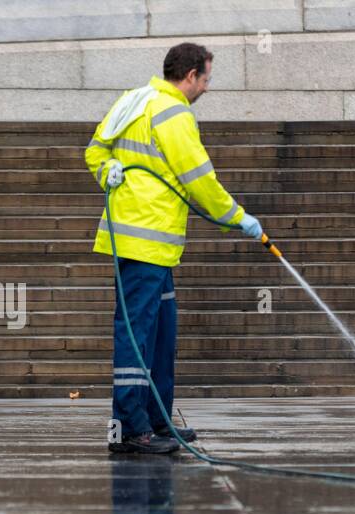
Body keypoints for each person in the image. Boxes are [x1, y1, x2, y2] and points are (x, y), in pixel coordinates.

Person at [86, 42, 263, 454]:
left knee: (162, 338)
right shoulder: (171, 111)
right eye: (206, 78)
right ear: (189, 77)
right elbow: (199, 177)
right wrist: (237, 217)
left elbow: (96, 148)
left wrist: (104, 165)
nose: (207, 87)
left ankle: (158, 420)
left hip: (157, 249)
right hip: (141, 243)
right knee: (137, 339)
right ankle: (131, 429)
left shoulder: (134, 100)